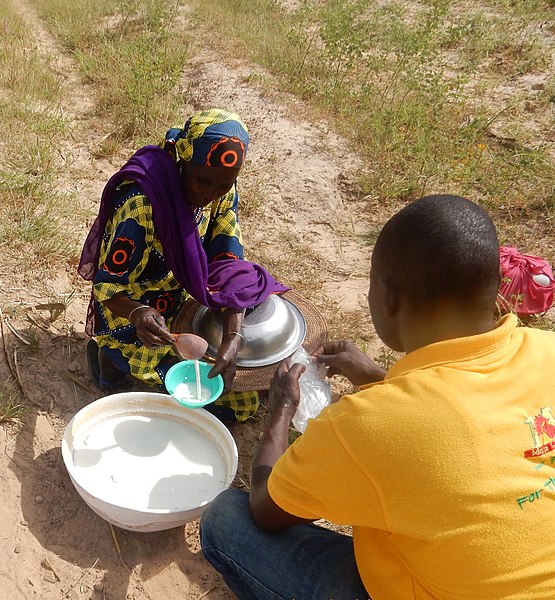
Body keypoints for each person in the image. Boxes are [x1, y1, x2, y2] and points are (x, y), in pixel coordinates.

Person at [200, 194, 555, 599]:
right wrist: (376, 377)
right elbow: (466, 416)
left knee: (226, 518)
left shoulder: (370, 424)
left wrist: (281, 409)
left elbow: (265, 508)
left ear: (387, 299)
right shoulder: (547, 350)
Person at [78, 108, 288, 422]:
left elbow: (228, 261)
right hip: (130, 311)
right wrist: (138, 313)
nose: (210, 193)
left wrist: (233, 337)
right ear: (182, 161)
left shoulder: (219, 189)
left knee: (242, 404)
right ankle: (109, 356)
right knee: (208, 396)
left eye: (223, 185)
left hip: (180, 301)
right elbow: (108, 287)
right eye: (202, 181)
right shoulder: (143, 203)